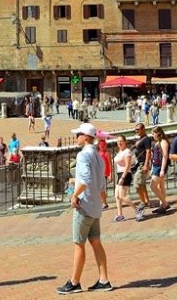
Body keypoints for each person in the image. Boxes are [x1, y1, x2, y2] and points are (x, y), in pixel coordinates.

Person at [57, 123, 113, 294]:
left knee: (79, 244)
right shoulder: (98, 157)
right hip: (95, 206)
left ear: (86, 137)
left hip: (84, 205)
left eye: (78, 134)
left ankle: (74, 282)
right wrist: (101, 201)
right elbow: (101, 184)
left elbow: (86, 180)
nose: (76, 137)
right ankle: (104, 280)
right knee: (96, 242)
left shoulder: (82, 155)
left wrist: (75, 195)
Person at [112, 135, 140, 222]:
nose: (119, 143)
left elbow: (128, 166)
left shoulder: (127, 152)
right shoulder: (120, 152)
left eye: (121, 141)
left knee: (122, 196)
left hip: (125, 174)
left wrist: (123, 177)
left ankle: (138, 210)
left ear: (125, 142)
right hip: (119, 174)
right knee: (117, 196)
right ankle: (120, 215)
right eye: (118, 141)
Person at [132, 123, 153, 219]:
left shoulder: (146, 139)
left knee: (137, 184)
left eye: (138, 129)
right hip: (139, 164)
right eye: (135, 129)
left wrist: (146, 165)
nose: (136, 131)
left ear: (143, 129)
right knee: (142, 184)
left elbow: (148, 151)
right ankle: (147, 201)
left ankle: (142, 202)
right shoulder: (140, 139)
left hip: (142, 164)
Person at [149, 127, 171, 213]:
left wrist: (162, 169)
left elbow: (165, 156)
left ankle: (165, 203)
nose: (152, 135)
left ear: (158, 133)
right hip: (156, 166)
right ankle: (162, 205)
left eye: (153, 133)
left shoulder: (163, 142)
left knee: (152, 186)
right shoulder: (158, 142)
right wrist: (152, 168)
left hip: (159, 167)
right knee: (160, 186)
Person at [97, 139, 112, 210]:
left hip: (104, 174)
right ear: (99, 145)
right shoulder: (97, 154)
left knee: (101, 189)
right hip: (98, 173)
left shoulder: (107, 153)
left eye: (104, 145)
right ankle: (103, 203)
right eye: (101, 145)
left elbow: (110, 164)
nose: (103, 146)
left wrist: (110, 174)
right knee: (99, 190)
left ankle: (105, 204)